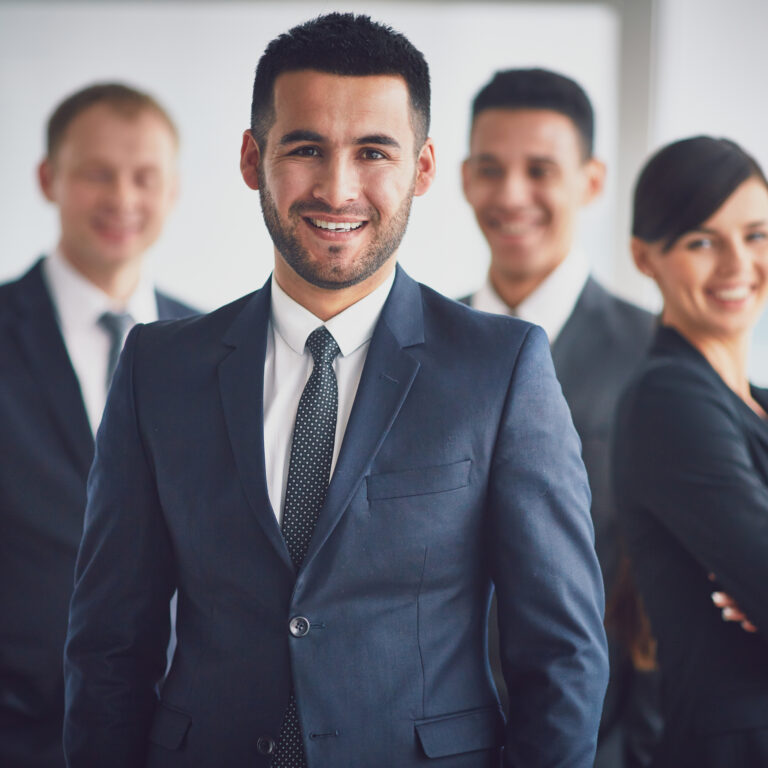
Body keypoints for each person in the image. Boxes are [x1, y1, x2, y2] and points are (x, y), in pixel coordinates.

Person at [63, 14, 608, 767]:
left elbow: (563, 656)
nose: (338, 187)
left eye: (373, 152)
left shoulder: (501, 369)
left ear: (421, 170)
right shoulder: (158, 367)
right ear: (254, 158)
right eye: (306, 148)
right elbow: (107, 649)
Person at [460, 68, 659, 767]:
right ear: (461, 179)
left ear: (592, 181)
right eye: (491, 169)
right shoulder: (417, 349)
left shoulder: (656, 357)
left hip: (605, 742)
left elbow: (670, 590)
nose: (512, 195)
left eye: (540, 169)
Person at [0, 82, 196, 768]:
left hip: (182, 738)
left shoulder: (220, 350)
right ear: (49, 179)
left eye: (145, 177)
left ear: (173, 190)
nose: (123, 198)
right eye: (96, 174)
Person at [613, 135, 768, 768]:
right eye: (702, 241)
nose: (738, 264)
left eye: (756, 234)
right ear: (645, 258)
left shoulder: (755, 402)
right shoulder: (668, 399)